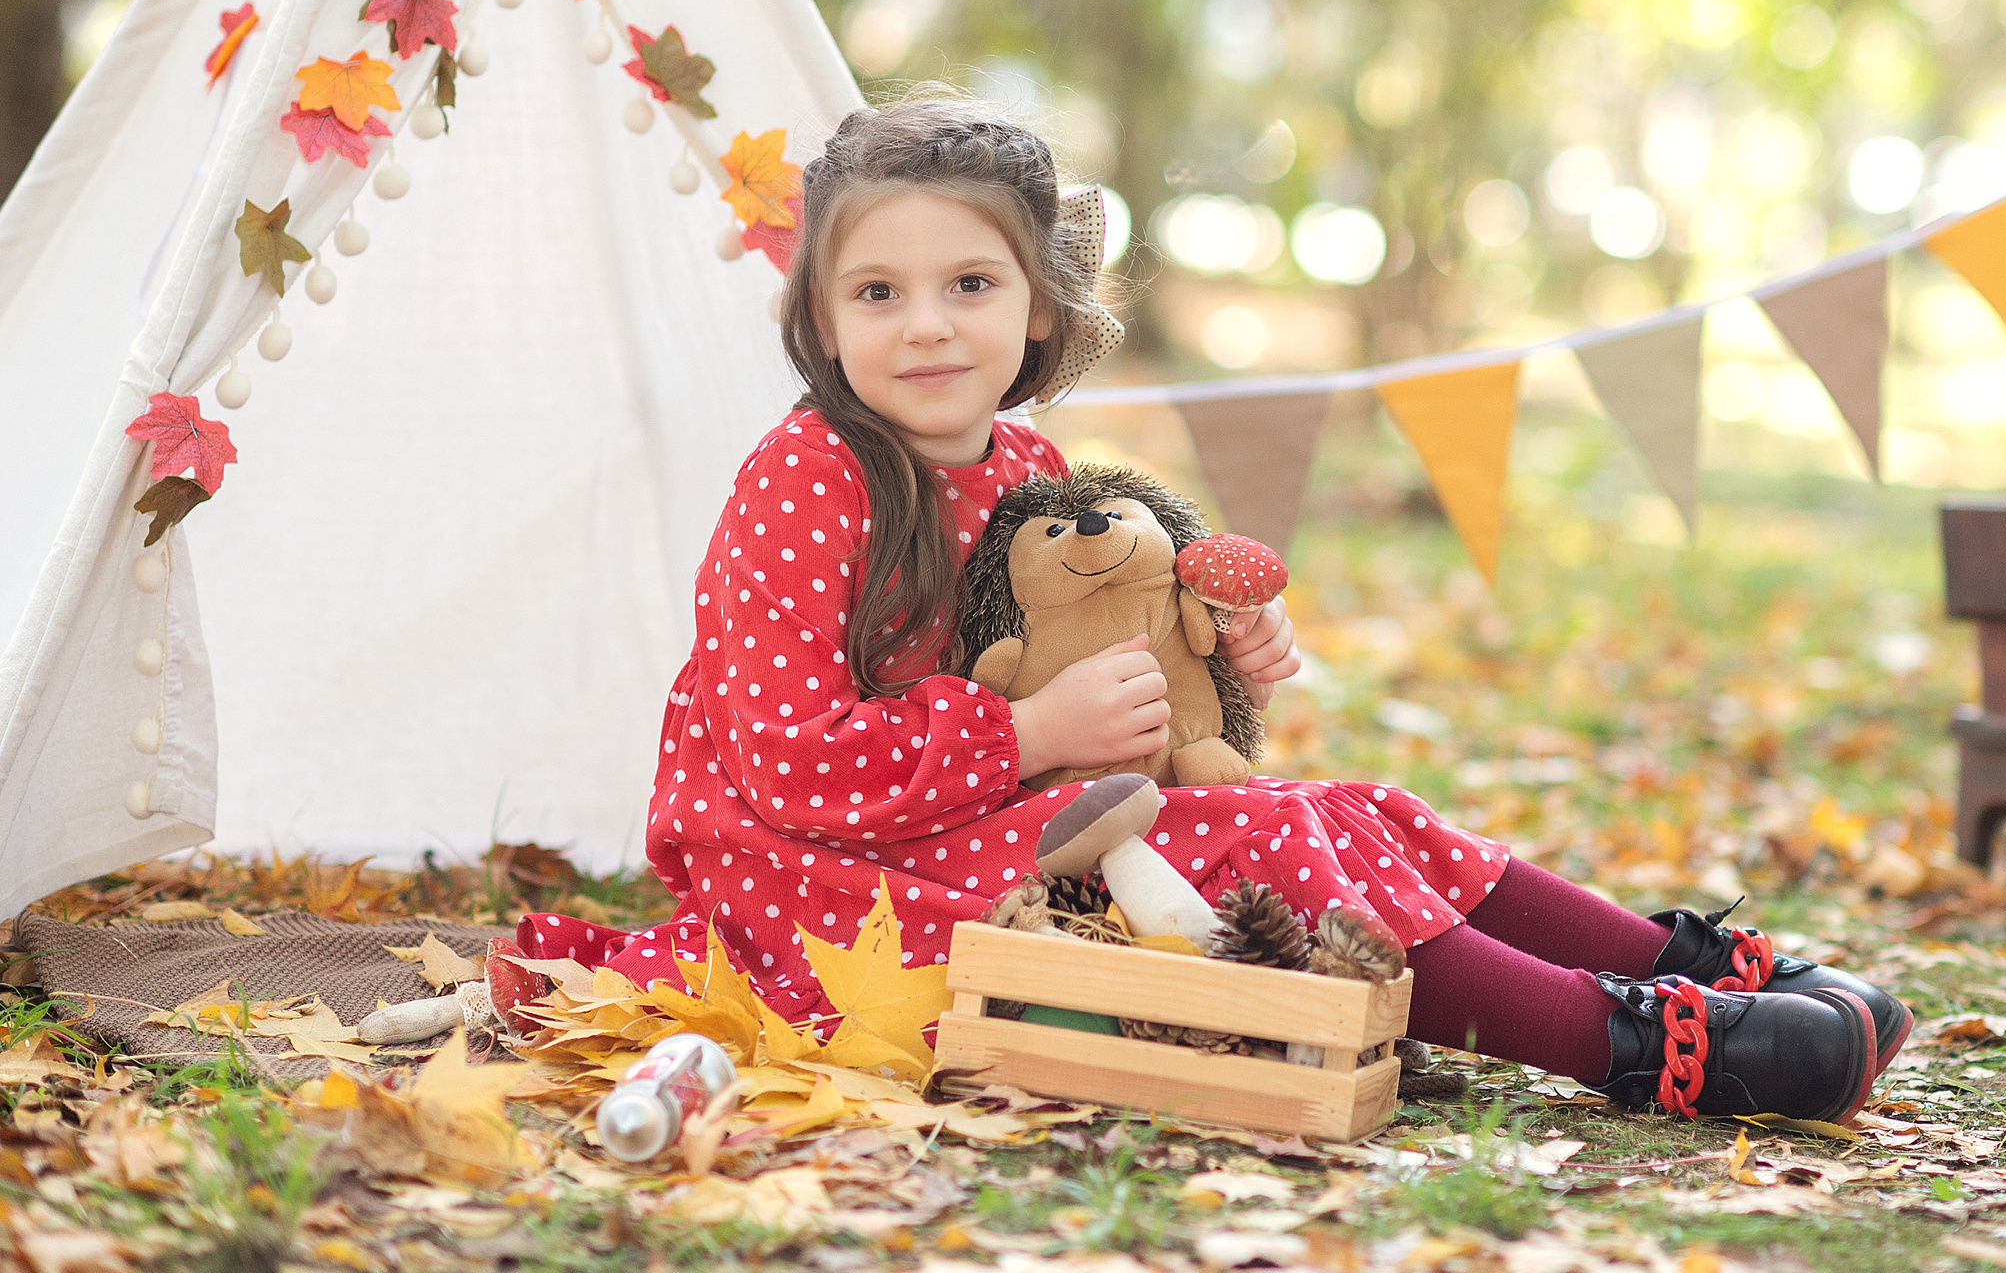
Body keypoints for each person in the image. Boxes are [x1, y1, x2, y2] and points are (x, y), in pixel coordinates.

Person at [520, 93, 1908, 1123]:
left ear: (1040, 310)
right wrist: (1031, 732)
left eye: (969, 285)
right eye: (877, 292)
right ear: (821, 320)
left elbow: (1112, 683)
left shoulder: (1032, 471)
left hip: (991, 824)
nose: (926, 325)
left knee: (1351, 809)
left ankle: (1697, 970)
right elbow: (786, 764)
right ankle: (1631, 1046)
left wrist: (1220, 665)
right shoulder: (805, 484)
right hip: (822, 885)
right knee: (1263, 838)